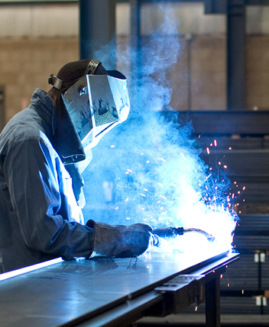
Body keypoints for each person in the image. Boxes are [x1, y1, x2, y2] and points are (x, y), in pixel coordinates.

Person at [0, 60, 154, 274]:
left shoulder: (52, 139)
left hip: (48, 283)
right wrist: (117, 238)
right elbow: (45, 234)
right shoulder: (29, 139)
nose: (92, 132)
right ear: (79, 96)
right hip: (28, 286)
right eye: (94, 118)